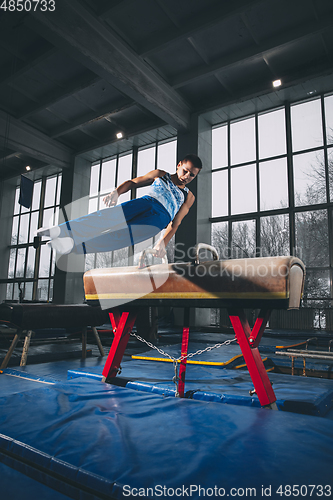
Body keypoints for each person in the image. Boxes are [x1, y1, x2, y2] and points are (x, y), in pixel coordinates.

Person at [37, 154, 202, 258]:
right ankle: (61, 229)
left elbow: (176, 223)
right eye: (185, 171)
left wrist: (162, 243)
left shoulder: (188, 197)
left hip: (159, 220)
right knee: (107, 218)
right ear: (179, 165)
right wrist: (117, 192)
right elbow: (132, 182)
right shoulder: (160, 175)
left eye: (192, 175)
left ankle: (72, 246)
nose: (187, 177)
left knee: (119, 238)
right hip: (145, 203)